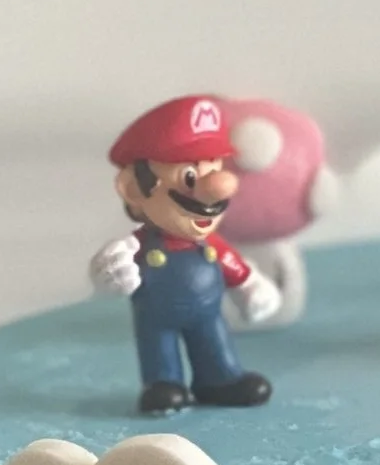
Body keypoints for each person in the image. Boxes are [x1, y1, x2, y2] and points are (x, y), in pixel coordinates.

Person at [87, 94, 283, 412]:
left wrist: (250, 284)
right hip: (156, 316)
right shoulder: (137, 246)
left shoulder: (210, 244)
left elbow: (230, 262)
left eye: (215, 169)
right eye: (190, 177)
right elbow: (112, 271)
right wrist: (108, 275)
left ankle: (219, 378)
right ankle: (164, 383)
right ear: (134, 189)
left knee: (213, 339)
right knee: (158, 345)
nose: (216, 189)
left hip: (208, 314)